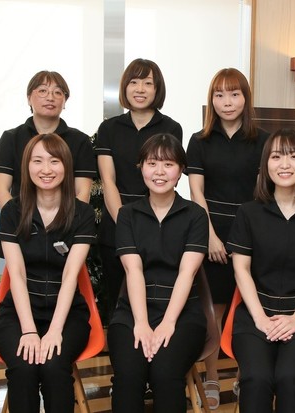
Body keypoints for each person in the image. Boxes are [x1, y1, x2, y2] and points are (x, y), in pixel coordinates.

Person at [226, 129, 295, 413]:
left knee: (290, 376)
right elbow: (241, 270)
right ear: (266, 164)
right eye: (276, 156)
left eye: (294, 156)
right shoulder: (248, 213)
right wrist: (261, 319)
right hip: (255, 313)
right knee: (256, 377)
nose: (284, 164)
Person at [0, 133, 97, 413]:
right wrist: (28, 330)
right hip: (18, 313)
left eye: (54, 161)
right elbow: (16, 274)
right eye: (37, 161)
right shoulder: (12, 212)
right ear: (27, 166)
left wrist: (55, 330)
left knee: (54, 365)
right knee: (24, 366)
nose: (46, 169)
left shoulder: (82, 214)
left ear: (66, 166)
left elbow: (71, 275)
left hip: (67, 314)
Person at [186, 68, 269, 408]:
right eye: (219, 95)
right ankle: (211, 377)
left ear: (246, 98)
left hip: (252, 230)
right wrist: (210, 236)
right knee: (215, 310)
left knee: (250, 308)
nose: (227, 102)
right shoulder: (199, 141)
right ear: (212, 101)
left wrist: (249, 240)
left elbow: (266, 192)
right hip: (212, 230)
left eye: (234, 94)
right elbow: (196, 192)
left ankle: (243, 376)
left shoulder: (263, 140)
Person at [108, 133, 208, 413]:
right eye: (152, 163)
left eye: (168, 164)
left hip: (182, 313)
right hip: (132, 311)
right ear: (141, 167)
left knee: (165, 374)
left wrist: (168, 323)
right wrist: (141, 322)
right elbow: (133, 269)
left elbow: (187, 273)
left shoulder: (196, 215)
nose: (160, 172)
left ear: (181, 170)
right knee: (129, 376)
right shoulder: (127, 215)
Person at [96, 58, 183, 322]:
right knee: (116, 298)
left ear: (157, 89)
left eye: (148, 83)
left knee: (156, 294)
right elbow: (108, 180)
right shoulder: (109, 128)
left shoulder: (171, 128)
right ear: (125, 87)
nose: (140, 89)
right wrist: (124, 222)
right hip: (116, 220)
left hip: (158, 221)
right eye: (134, 82)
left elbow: (169, 177)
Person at [0, 70, 96, 208]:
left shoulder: (80, 140)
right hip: (21, 218)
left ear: (65, 101)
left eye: (58, 92)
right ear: (29, 98)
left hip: (68, 219)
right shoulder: (11, 138)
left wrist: (71, 219)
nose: (50, 97)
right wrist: (15, 218)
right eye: (42, 91)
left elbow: (83, 192)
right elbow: (0, 190)